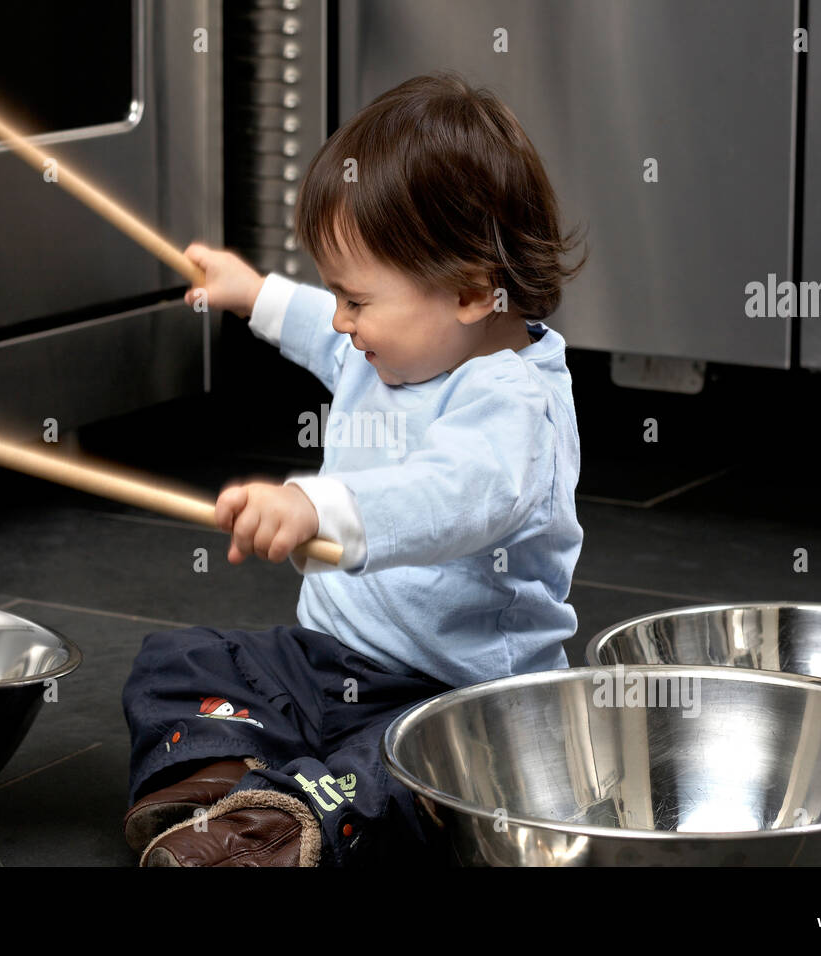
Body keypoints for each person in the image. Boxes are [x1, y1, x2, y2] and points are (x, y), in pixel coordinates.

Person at [122, 71, 586, 866]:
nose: (343, 320)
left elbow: (447, 496)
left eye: (358, 299)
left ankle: (281, 827)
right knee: (180, 662)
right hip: (326, 663)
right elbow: (321, 333)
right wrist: (255, 294)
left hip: (453, 699)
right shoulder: (402, 343)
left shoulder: (513, 407)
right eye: (338, 292)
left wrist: (319, 508)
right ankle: (232, 789)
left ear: (473, 290)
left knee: (402, 777)